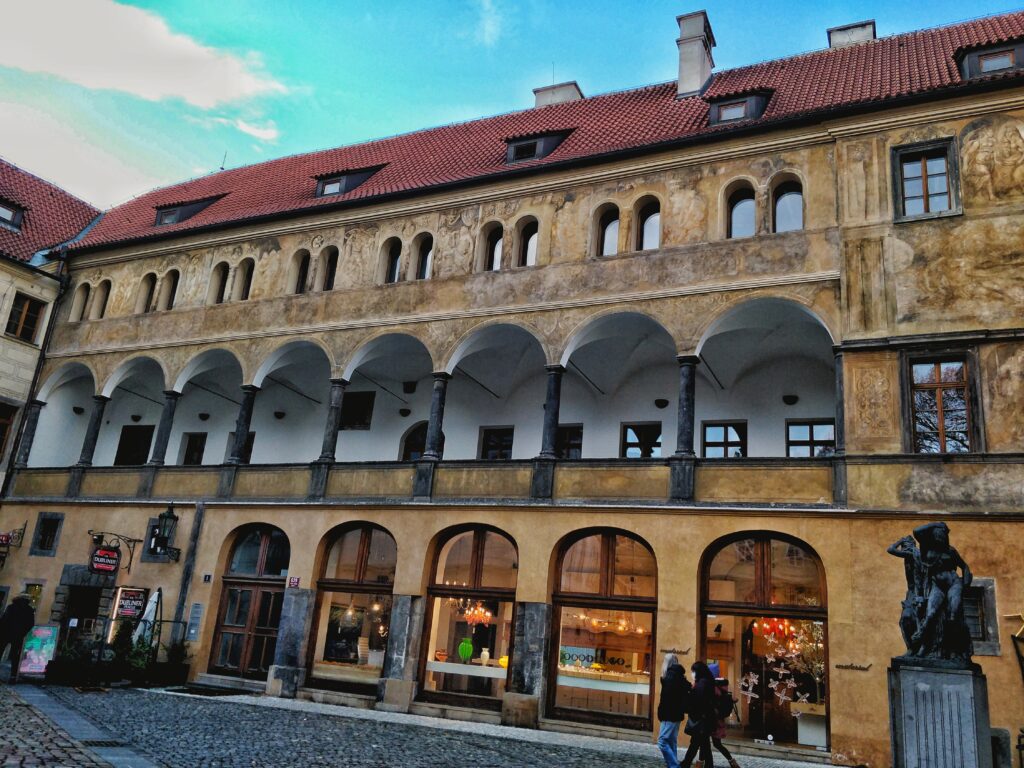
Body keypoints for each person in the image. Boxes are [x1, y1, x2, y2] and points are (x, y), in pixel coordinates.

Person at [657, 653, 692, 768]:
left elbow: (667, 699)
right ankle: (672, 764)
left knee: (662, 741)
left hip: (669, 714)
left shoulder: (670, 677)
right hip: (676, 714)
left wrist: (662, 713)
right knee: (671, 741)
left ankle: (674, 765)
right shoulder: (679, 676)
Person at [680, 661, 716, 768]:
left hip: (701, 719)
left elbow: (698, 701)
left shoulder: (702, 684)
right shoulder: (707, 681)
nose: (692, 673)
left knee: (696, 743)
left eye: (693, 671)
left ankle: (686, 763)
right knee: (704, 744)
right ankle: (708, 765)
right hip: (705, 719)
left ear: (698, 671)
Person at [0, 594, 36, 683]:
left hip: (5, 634)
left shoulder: (11, 607)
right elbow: (31, 624)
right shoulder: (29, 610)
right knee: (15, 656)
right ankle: (13, 676)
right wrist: (23, 633)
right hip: (18, 636)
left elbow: (4, 620)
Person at [711, 676, 741, 768]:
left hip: (711, 721)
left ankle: (701, 763)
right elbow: (734, 699)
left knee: (704, 743)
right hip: (719, 722)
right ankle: (732, 762)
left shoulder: (715, 692)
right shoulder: (726, 693)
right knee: (717, 744)